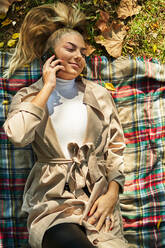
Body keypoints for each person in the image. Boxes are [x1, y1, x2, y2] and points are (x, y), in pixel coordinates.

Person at [3, 2, 128, 248]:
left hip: (97, 198)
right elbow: (17, 135)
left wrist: (112, 193)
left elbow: (115, 148)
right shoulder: (29, 96)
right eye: (70, 48)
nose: (79, 56)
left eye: (82, 51)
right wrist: (47, 87)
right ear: (50, 55)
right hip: (53, 200)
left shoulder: (99, 95)